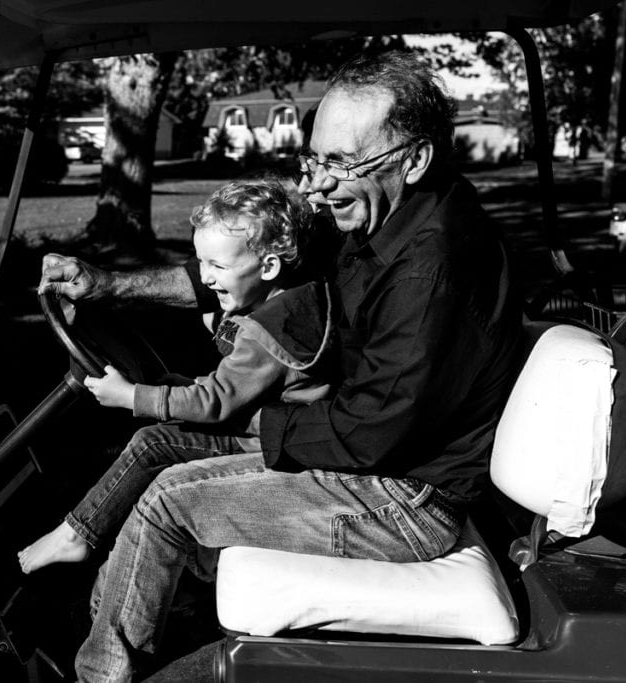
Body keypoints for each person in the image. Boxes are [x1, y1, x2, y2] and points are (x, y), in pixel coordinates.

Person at [39, 50, 524, 683]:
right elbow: (246, 267)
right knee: (167, 445)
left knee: (168, 502)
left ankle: (100, 675)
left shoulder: (432, 269)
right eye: (314, 158)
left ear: (416, 158)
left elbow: (370, 432)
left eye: (341, 163)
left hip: (405, 501)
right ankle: (106, 619)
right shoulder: (373, 214)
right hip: (370, 460)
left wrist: (241, 416)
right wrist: (107, 285)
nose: (318, 184)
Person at [18, 179, 334, 574]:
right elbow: (237, 387)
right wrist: (172, 384)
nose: (205, 278)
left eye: (218, 266)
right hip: (271, 424)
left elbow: (215, 402)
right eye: (201, 262)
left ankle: (77, 534)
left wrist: (135, 396)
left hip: (272, 443)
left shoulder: (263, 331)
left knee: (152, 442)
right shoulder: (289, 300)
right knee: (168, 404)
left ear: (269, 266)